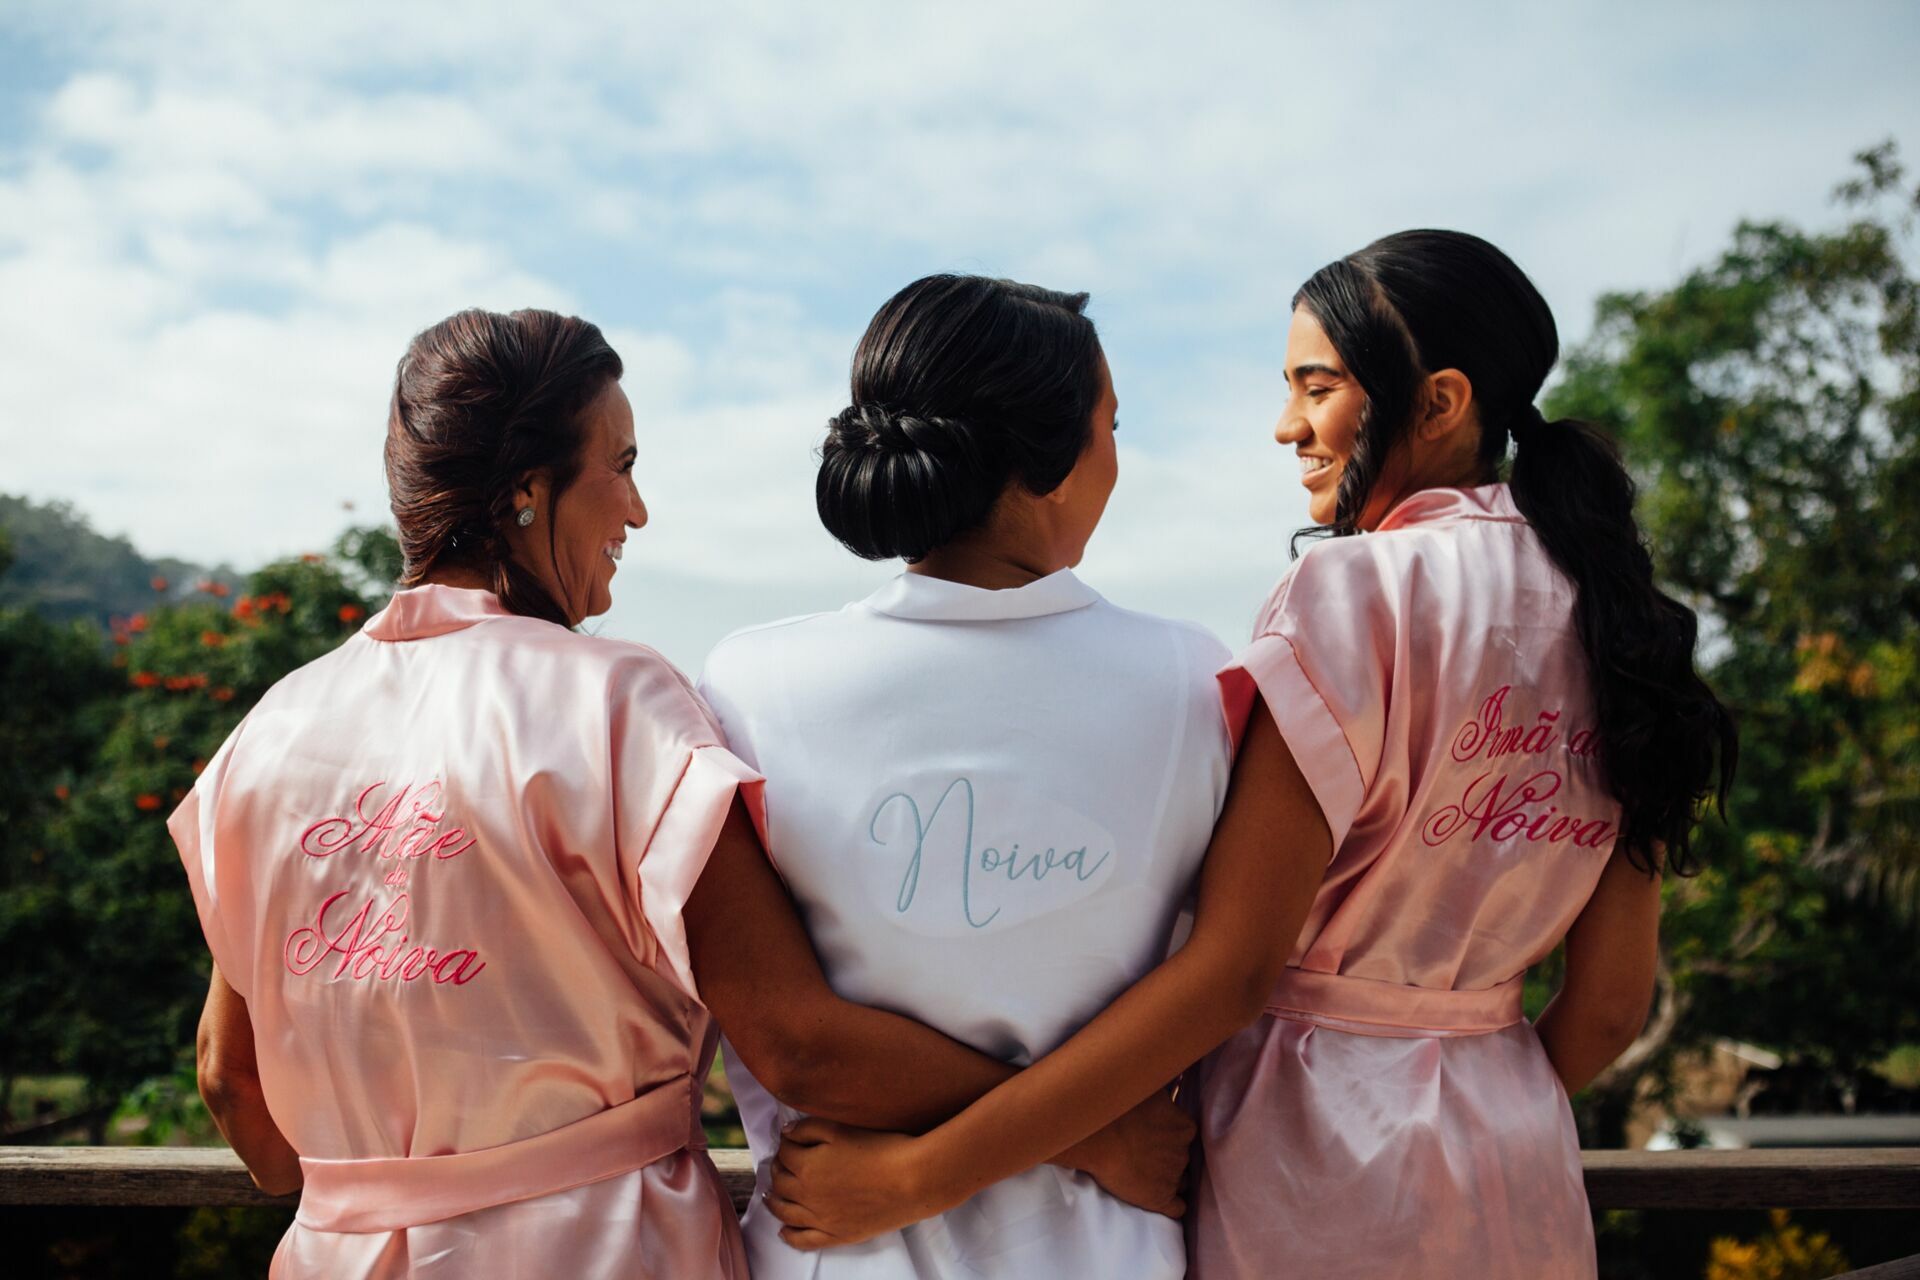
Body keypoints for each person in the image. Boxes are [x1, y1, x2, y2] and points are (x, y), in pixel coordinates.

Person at [761, 232, 1738, 1280]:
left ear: (1439, 401)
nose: (1287, 427)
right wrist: (1475, 1093)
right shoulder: (1634, 629)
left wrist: (923, 1173)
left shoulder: (1354, 592)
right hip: (1515, 1163)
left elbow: (1231, 965)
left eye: (1315, 388)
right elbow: (1606, 1006)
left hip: (1309, 1153)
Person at [176, 308, 761, 1278]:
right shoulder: (617, 701)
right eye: (621, 465)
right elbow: (784, 1031)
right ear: (529, 491)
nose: (639, 509)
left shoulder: (265, 734)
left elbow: (231, 1081)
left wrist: (365, 1186)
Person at [684, 273, 1235, 1278]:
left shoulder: (747, 682)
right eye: (1111, 424)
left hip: (836, 1250)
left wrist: (925, 1169)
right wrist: (1094, 1134)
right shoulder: (1200, 681)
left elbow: (793, 1039)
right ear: (1057, 460)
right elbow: (1224, 980)